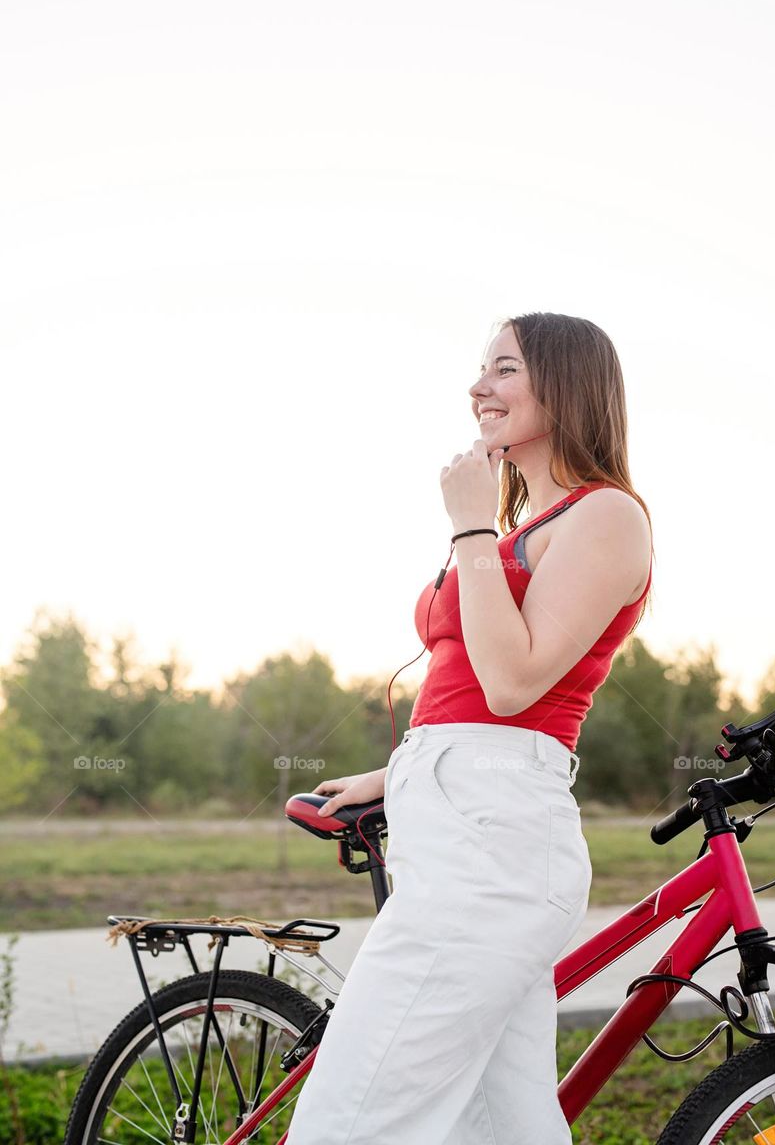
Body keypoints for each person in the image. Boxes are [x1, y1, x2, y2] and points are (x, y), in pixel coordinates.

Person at [285, 311, 654, 1144]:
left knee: (353, 1113)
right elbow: (475, 695)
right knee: (499, 1123)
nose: (478, 387)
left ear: (566, 384)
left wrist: (470, 527)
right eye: (482, 370)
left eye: (504, 370)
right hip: (464, 824)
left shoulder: (606, 517)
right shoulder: (526, 529)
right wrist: (399, 772)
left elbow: (517, 683)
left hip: (495, 847)